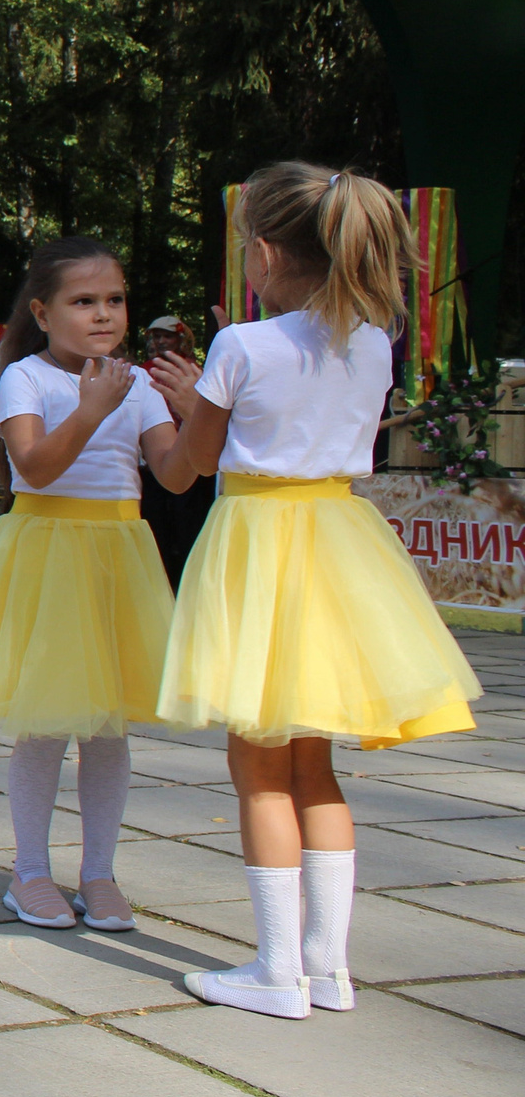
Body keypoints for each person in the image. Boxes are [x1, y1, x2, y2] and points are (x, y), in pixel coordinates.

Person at [147, 162, 482, 1020]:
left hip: (259, 548)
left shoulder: (240, 346)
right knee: (313, 766)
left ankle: (275, 969)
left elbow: (189, 469)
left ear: (262, 252)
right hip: (339, 547)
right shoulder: (370, 340)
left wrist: (181, 405)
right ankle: (328, 968)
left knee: (257, 766)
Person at [0, 238, 186, 937]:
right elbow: (36, 467)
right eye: (84, 301)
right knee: (45, 721)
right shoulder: (26, 377)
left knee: (109, 727)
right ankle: (30, 872)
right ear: (43, 313)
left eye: (115, 299)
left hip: (118, 557)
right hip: (48, 556)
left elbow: (174, 475)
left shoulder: (137, 384)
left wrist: (198, 412)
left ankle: (99, 872)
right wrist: (93, 408)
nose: (104, 314)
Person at [138, 313, 215, 586]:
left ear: (181, 338)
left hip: (191, 461)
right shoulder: (143, 371)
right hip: (152, 464)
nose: (160, 341)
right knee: (156, 527)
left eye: (166, 336)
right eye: (156, 336)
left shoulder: (194, 371)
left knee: (188, 526)